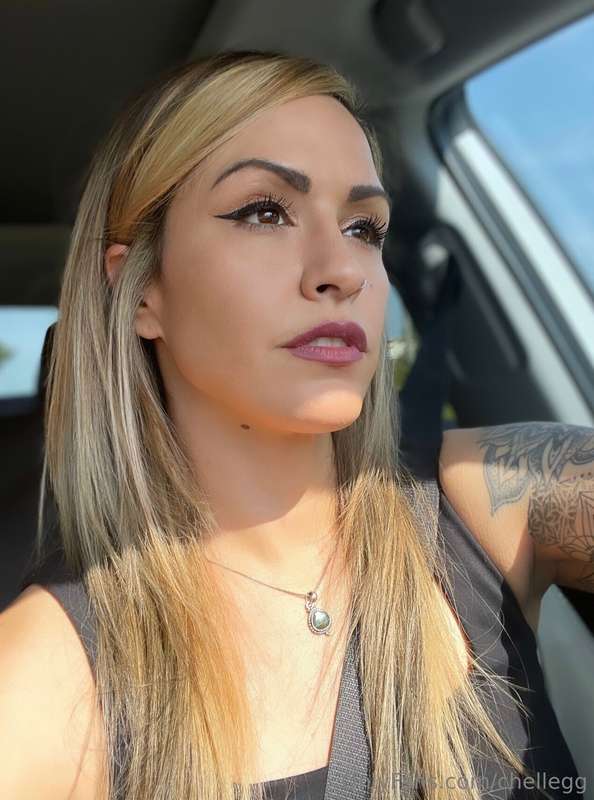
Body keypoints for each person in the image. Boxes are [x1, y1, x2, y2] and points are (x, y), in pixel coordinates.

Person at [0, 50, 591, 800]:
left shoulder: (492, 500)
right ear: (142, 289)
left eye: (364, 227)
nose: (342, 269)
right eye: (265, 212)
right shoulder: (42, 681)